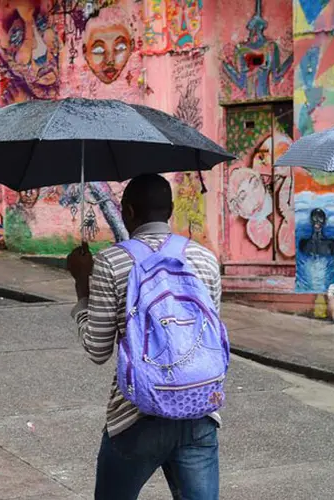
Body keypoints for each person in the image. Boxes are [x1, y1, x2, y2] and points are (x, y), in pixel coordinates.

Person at [67, 174, 222, 500]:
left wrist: (83, 287)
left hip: (136, 414)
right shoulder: (205, 259)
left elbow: (97, 349)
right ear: (171, 209)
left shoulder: (112, 261)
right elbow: (209, 339)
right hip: (199, 408)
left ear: (128, 212)